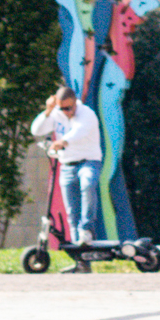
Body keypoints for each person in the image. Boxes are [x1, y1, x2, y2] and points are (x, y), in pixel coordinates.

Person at [30, 86, 103, 272]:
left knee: (88, 185)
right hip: (67, 166)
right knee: (72, 212)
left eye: (69, 108)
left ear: (75, 102)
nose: (65, 112)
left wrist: (63, 141)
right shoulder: (56, 113)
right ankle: (81, 263)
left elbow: (79, 132)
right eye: (61, 108)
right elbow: (36, 130)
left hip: (88, 162)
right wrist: (48, 111)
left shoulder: (87, 114)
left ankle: (87, 229)